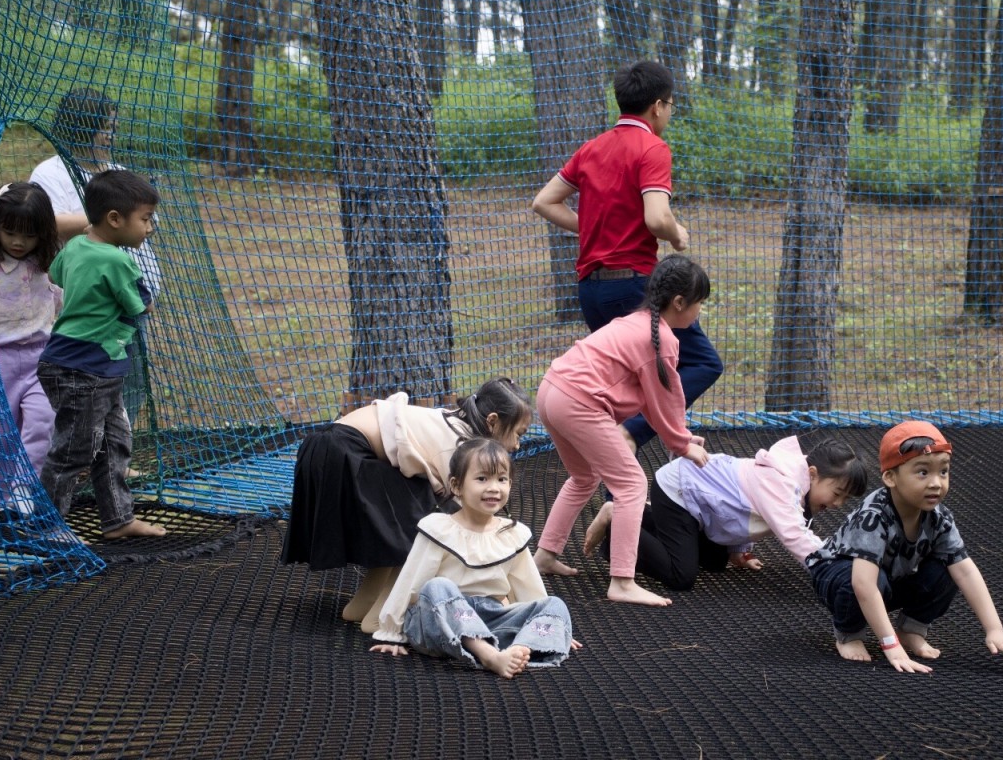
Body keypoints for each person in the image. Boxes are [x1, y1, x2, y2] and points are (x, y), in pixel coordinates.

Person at [531, 60, 722, 454]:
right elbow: (657, 218)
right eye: (670, 105)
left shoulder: (591, 148)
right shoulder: (652, 148)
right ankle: (632, 433)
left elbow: (544, 202)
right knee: (703, 363)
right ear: (657, 106)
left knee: (619, 382)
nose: (669, 113)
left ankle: (611, 471)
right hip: (635, 288)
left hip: (591, 291)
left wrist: (593, 228)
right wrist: (677, 234)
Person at [279, 377, 533, 634]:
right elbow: (464, 521)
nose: (517, 445)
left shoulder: (453, 421)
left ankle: (361, 605)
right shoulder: (458, 447)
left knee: (399, 525)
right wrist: (498, 589)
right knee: (422, 530)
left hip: (325, 448)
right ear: (492, 421)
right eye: (517, 434)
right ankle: (381, 619)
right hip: (343, 452)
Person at [533, 254, 712, 607]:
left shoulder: (635, 322)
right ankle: (622, 581)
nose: (700, 311)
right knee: (631, 484)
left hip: (551, 391)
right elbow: (665, 399)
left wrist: (680, 436)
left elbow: (652, 402)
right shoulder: (661, 340)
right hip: (578, 402)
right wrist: (681, 443)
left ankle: (545, 555)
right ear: (679, 302)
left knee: (584, 477)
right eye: (699, 303)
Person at [806, 421, 1003, 673]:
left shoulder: (939, 517)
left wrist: (995, 630)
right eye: (923, 473)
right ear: (890, 477)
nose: (936, 483)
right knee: (867, 580)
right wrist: (890, 646)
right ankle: (848, 633)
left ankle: (911, 630)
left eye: (943, 472)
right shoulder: (873, 516)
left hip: (887, 578)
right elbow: (863, 584)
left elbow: (966, 571)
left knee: (948, 567)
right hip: (837, 575)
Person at [369, 438, 581, 679]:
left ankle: (520, 650)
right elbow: (411, 581)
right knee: (438, 586)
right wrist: (391, 633)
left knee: (554, 604)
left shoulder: (511, 534)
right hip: (440, 619)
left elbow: (530, 588)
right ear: (457, 485)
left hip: (490, 620)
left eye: (502, 479)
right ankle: (488, 655)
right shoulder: (440, 529)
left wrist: (550, 626)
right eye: (482, 479)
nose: (494, 488)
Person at [36, 169, 165, 539]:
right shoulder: (118, 261)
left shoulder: (76, 245)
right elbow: (142, 304)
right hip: (85, 367)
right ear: (115, 219)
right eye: (145, 219)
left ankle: (118, 520)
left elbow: (56, 276)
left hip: (80, 363)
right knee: (73, 451)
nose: (149, 228)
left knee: (113, 444)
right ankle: (46, 530)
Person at [30, 87, 161, 437]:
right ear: (83, 126)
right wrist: (104, 220)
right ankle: (84, 446)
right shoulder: (51, 172)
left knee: (130, 377)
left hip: (128, 297)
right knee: (88, 383)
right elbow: (47, 222)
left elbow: (145, 219)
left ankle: (111, 446)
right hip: (90, 300)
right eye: (106, 126)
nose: (111, 133)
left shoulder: (115, 170)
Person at [589, 434, 867, 591]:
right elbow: (794, 534)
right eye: (837, 493)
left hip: (700, 503)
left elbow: (741, 505)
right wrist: (836, 571)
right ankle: (618, 520)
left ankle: (636, 516)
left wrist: (739, 551)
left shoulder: (795, 484)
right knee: (680, 576)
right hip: (678, 491)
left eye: (845, 498)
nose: (838, 503)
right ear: (813, 474)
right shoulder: (782, 483)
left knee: (715, 561)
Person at [0, 182, 63, 514]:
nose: (18, 242)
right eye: (10, 232)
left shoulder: (46, 262)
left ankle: (23, 488)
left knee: (43, 420)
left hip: (41, 359)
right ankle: (3, 504)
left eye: (29, 235)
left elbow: (59, 295)